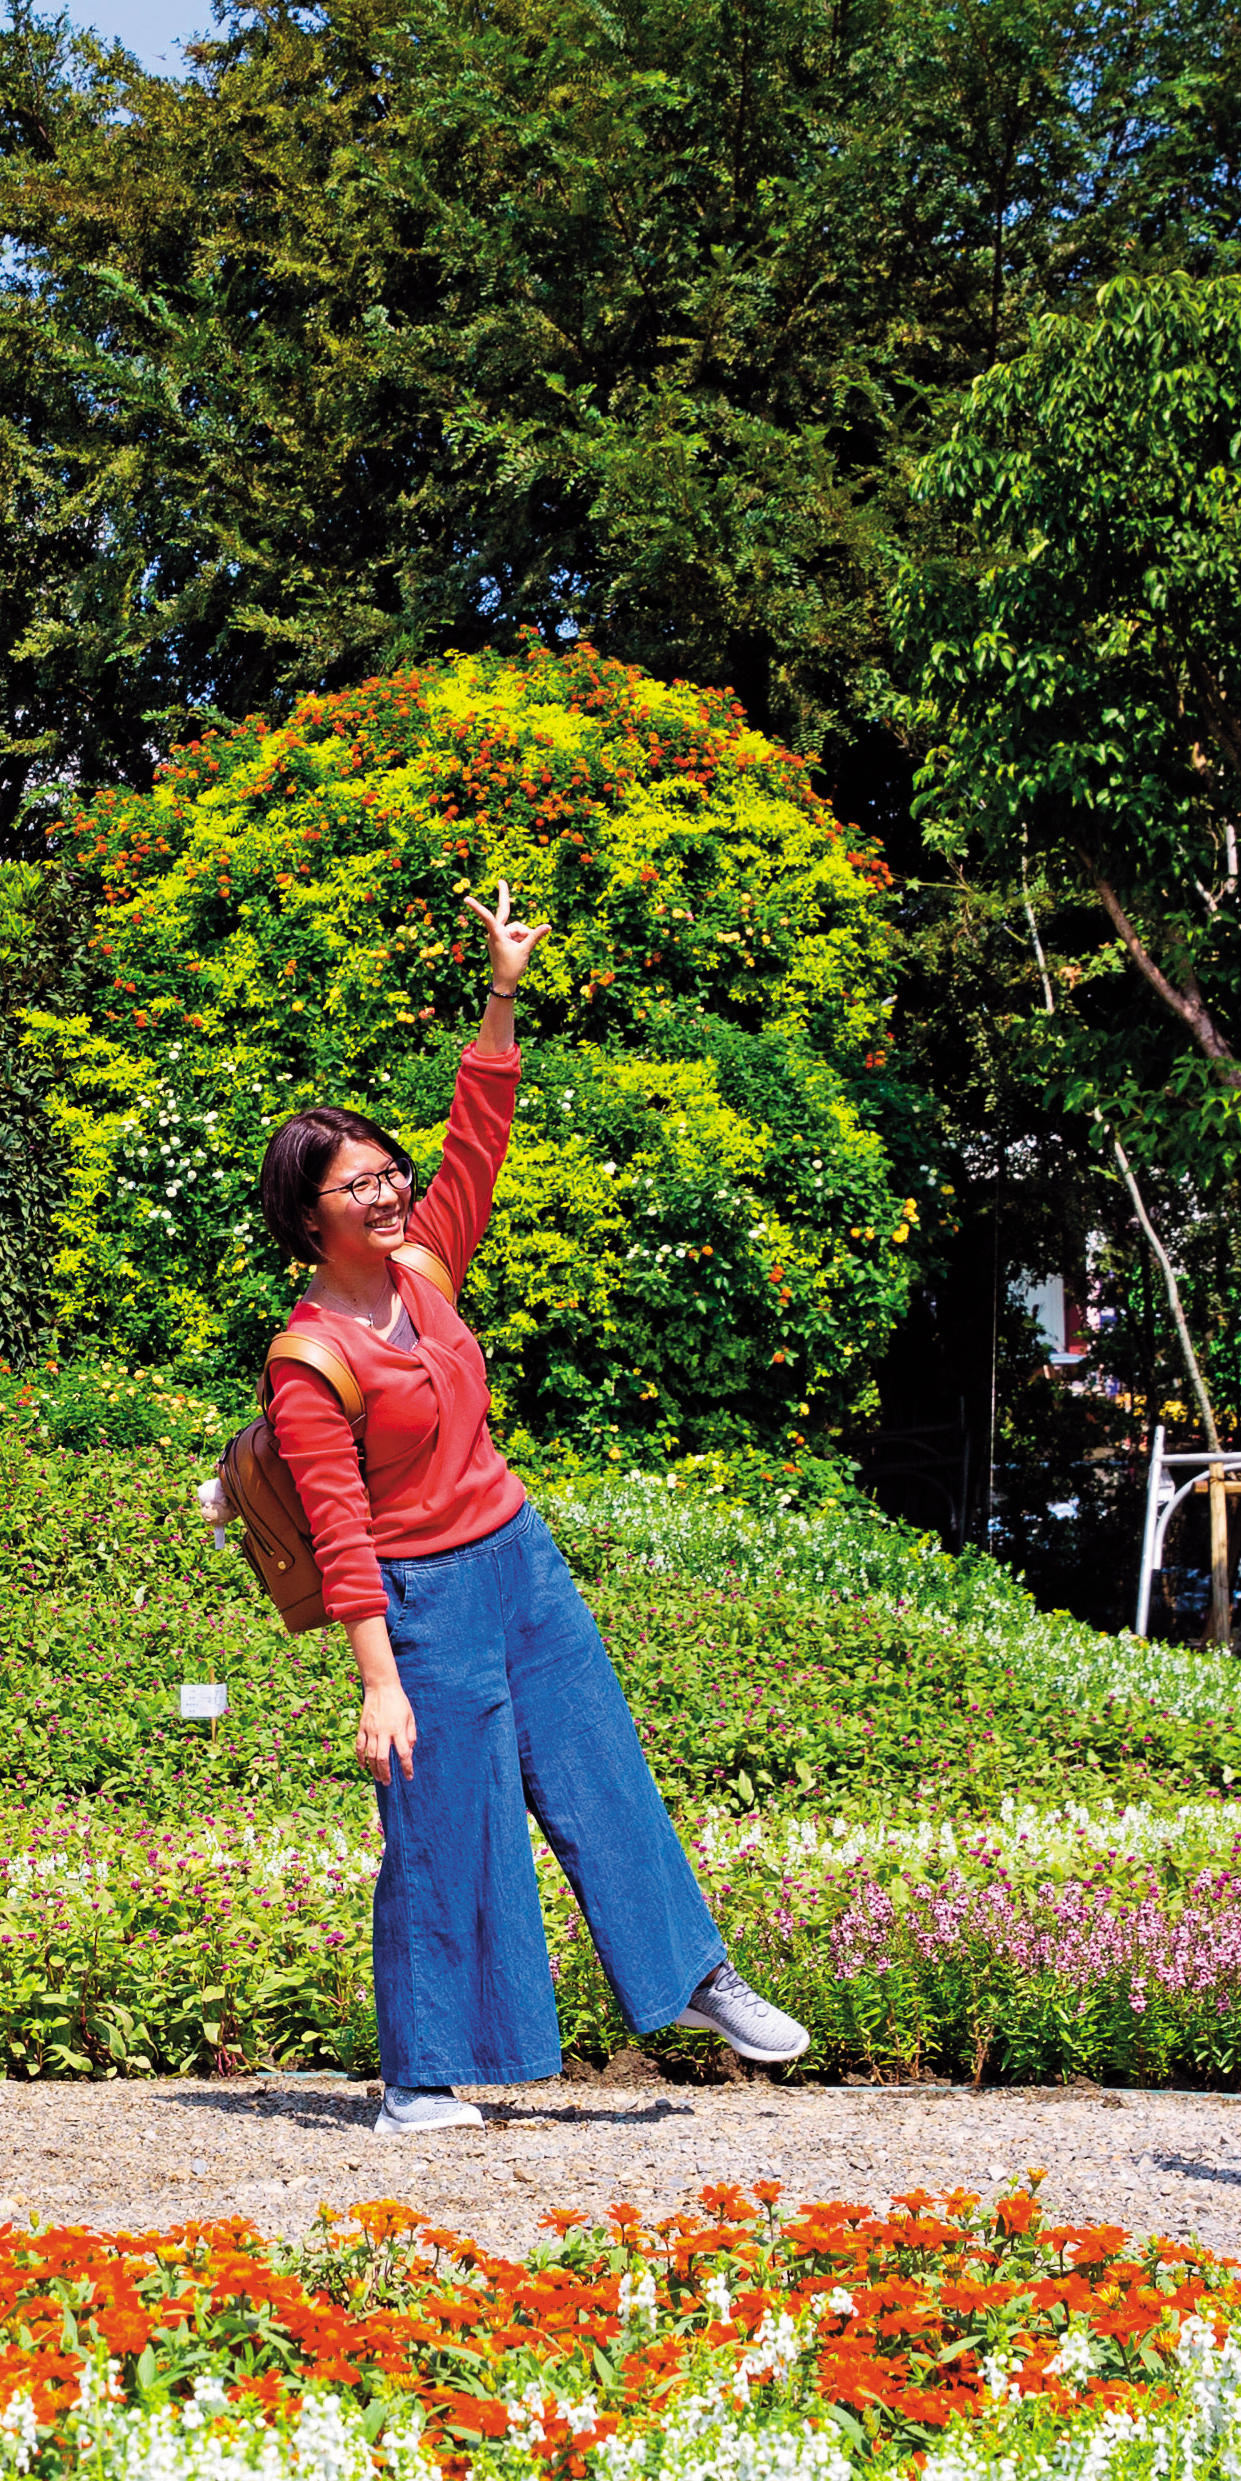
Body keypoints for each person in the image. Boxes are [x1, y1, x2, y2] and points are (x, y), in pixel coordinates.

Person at [256, 881, 807, 2138]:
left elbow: (480, 1136)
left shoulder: (425, 1268)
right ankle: (421, 2082)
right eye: (359, 1186)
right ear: (307, 1218)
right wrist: (378, 1681)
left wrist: (502, 992)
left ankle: (693, 1976)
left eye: (389, 1173)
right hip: (422, 1600)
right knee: (447, 1834)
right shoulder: (310, 1361)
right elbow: (341, 1531)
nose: (389, 1194)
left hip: (520, 1560)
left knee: (601, 1767)